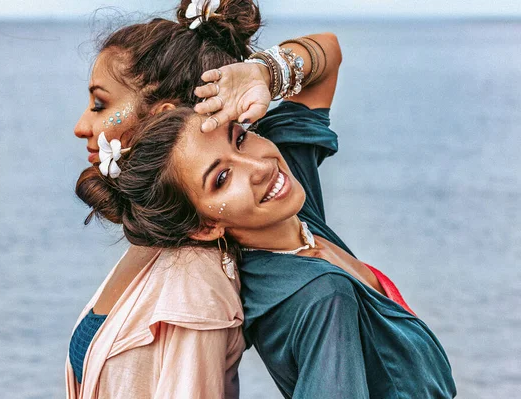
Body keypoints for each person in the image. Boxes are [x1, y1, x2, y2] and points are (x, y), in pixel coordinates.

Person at [76, 23, 458, 399]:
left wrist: (262, 72)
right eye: (221, 178)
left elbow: (328, 56)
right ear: (206, 224)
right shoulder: (320, 296)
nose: (259, 168)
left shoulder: (287, 203)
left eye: (240, 137)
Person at [66, 1, 263, 397]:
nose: (81, 126)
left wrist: (264, 73)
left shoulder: (194, 282)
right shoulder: (159, 238)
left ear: (160, 115)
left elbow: (326, 58)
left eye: (100, 104)